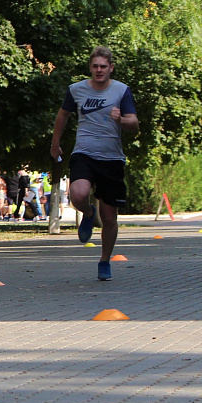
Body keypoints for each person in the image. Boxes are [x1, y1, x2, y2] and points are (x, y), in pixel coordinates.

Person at [50, 46, 139, 281]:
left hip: (111, 159)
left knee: (109, 217)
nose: (99, 70)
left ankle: (104, 261)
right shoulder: (76, 90)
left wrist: (121, 120)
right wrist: (55, 142)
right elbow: (63, 115)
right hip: (84, 154)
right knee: (78, 195)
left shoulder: (121, 91)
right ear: (90, 68)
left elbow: (134, 124)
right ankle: (88, 213)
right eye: (95, 66)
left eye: (103, 66)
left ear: (111, 68)